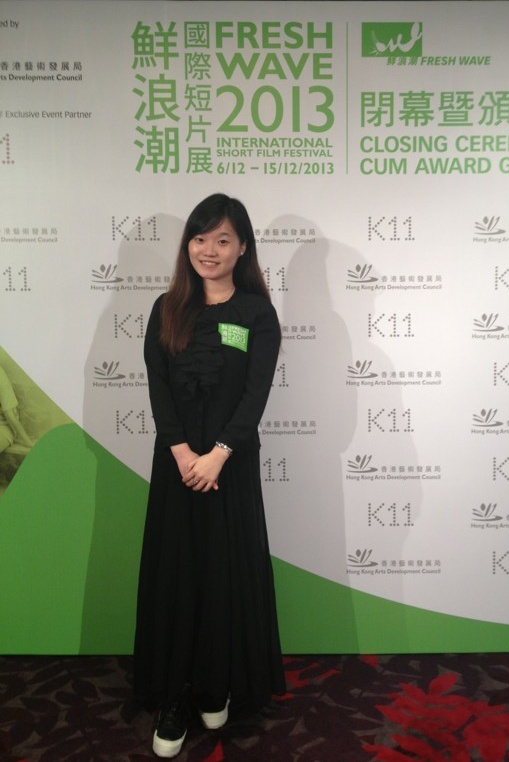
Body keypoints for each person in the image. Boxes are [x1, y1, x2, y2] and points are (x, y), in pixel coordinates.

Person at [133, 193, 286, 758]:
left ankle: (217, 683)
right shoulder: (166, 308)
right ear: (188, 245)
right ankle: (174, 696)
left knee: (224, 573)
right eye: (200, 238)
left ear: (243, 248)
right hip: (176, 465)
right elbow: (158, 386)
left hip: (231, 466)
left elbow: (254, 396)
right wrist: (181, 453)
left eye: (223, 239)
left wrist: (218, 454)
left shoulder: (257, 315)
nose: (209, 250)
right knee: (178, 575)